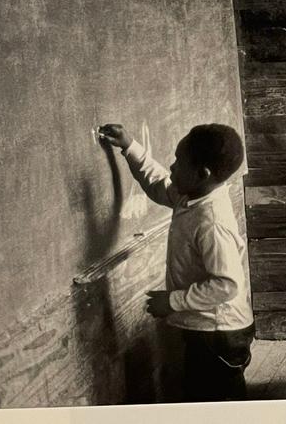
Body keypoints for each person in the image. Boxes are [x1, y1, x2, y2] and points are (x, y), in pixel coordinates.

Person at [98, 122, 254, 402]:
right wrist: (130, 147)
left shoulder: (212, 222)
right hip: (206, 327)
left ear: (202, 173)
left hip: (220, 333)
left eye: (179, 162)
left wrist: (172, 301)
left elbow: (227, 284)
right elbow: (159, 184)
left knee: (217, 400)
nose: (171, 167)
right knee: (204, 394)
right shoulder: (192, 194)